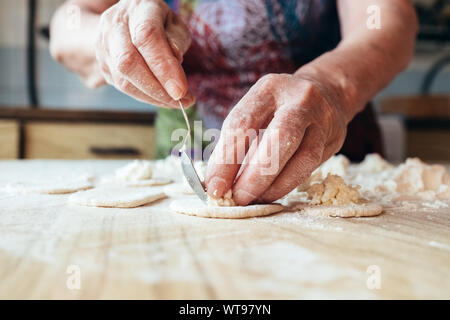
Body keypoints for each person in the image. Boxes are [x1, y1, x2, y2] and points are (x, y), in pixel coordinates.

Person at [50, 0, 418, 205]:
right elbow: (66, 24)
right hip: (185, 169)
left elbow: (390, 23)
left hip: (330, 170)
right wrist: (105, 35)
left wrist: (331, 86)